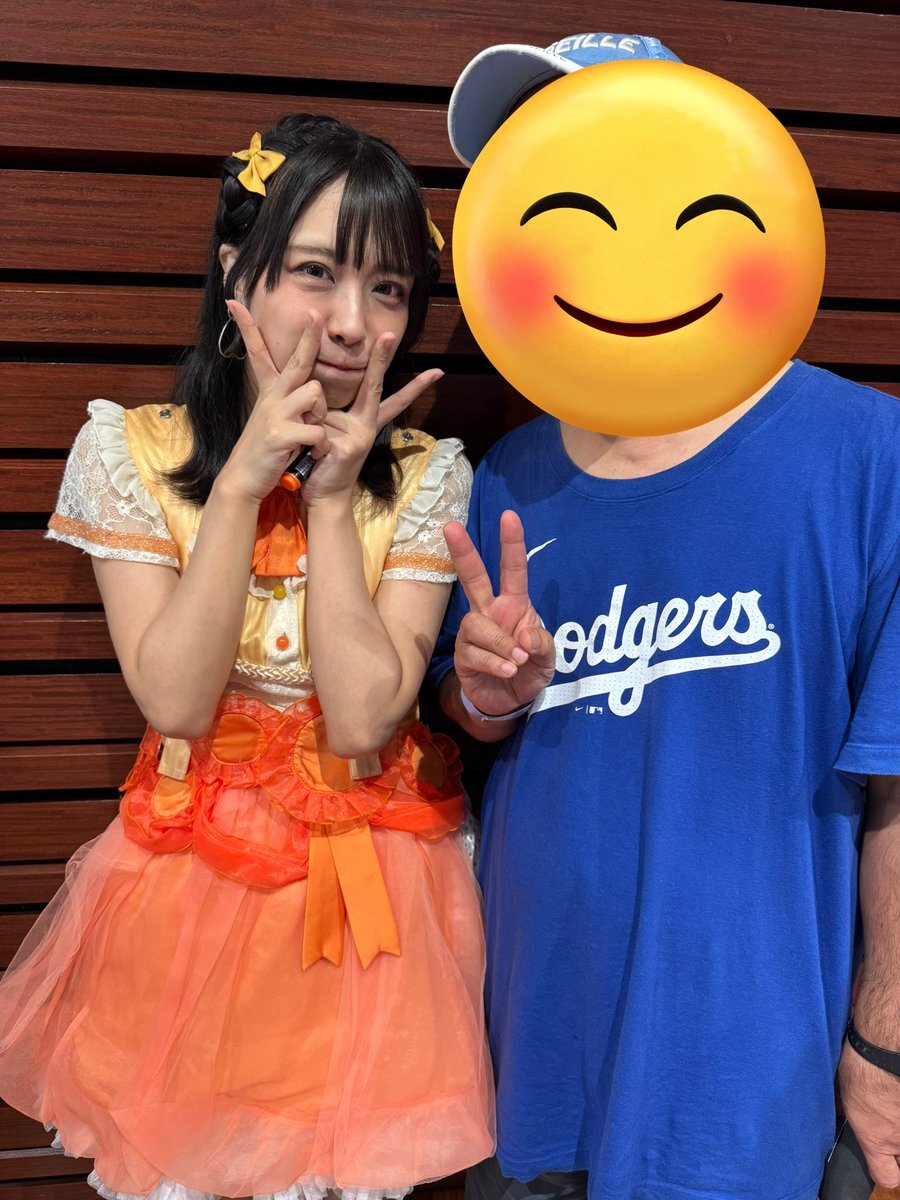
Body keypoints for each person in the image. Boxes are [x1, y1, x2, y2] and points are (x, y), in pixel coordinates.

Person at [430, 33, 900, 1200]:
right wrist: (484, 694)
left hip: (752, 1086)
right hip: (534, 1064)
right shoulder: (510, 474)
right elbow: (471, 719)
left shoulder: (867, 453)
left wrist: (886, 1038)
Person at [0, 113, 494, 1200]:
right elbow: (176, 700)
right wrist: (239, 484)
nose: (353, 323)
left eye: (389, 289)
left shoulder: (427, 472)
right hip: (187, 885)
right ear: (237, 269)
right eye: (316, 272)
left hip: (373, 903)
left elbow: (362, 718)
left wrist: (329, 499)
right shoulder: (133, 450)